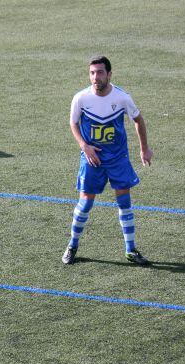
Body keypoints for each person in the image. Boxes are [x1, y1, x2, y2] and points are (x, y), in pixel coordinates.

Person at [62, 56, 153, 265]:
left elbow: (138, 120)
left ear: (109, 74)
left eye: (100, 72)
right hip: (92, 159)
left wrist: (144, 149)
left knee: (125, 203)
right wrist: (84, 146)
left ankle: (130, 250)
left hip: (118, 159)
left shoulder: (122, 98)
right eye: (92, 73)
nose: (96, 77)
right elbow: (73, 123)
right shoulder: (81, 98)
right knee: (84, 204)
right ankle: (72, 245)